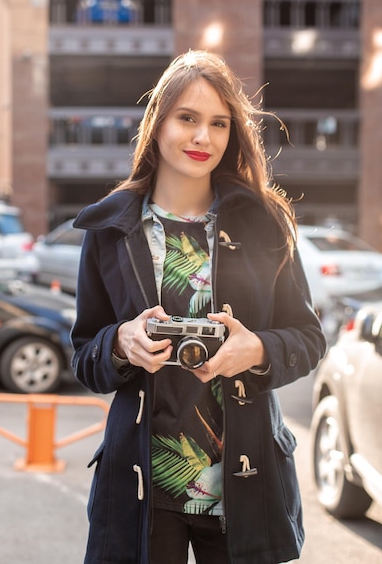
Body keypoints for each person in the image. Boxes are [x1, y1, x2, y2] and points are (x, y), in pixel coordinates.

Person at [71, 50, 326, 564]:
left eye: (218, 124)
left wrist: (256, 349)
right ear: (158, 121)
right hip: (143, 486)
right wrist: (120, 343)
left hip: (244, 485)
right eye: (187, 118)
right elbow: (84, 355)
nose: (202, 138)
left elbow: (307, 338)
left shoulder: (264, 222)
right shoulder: (110, 231)